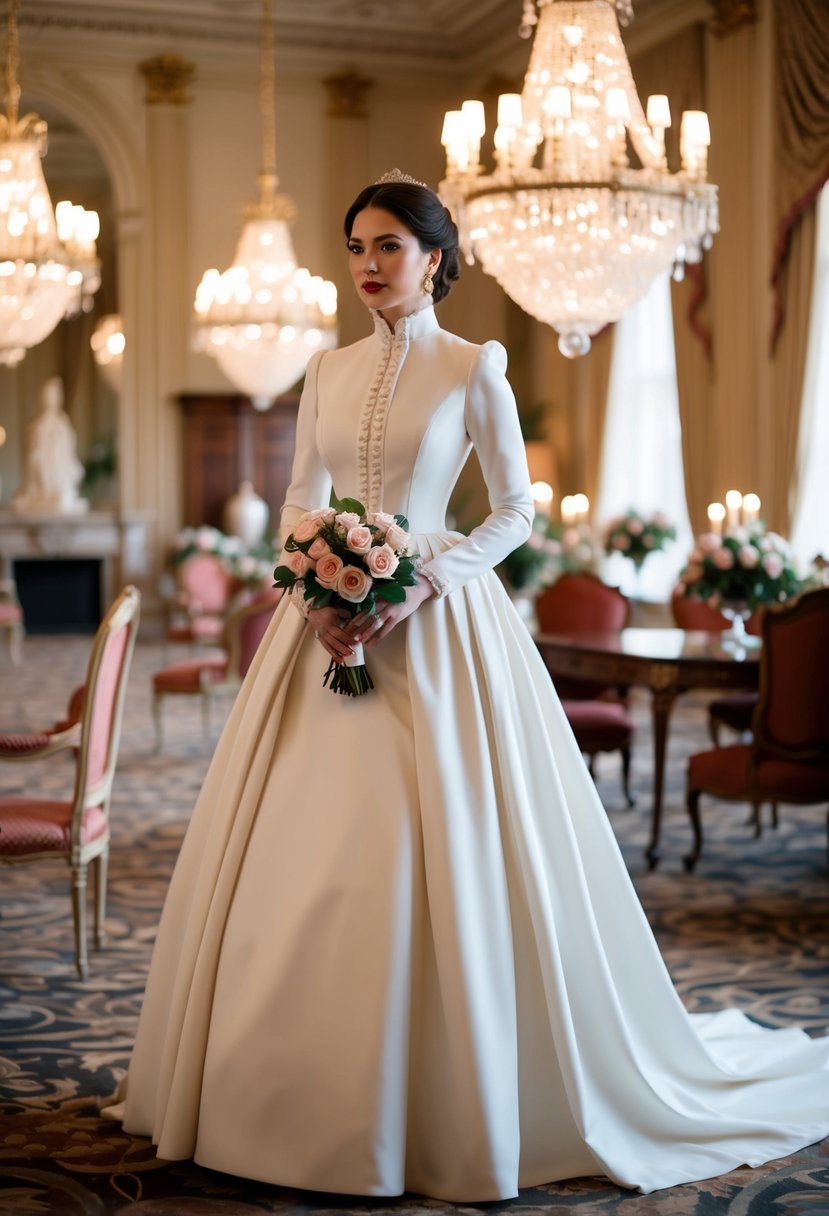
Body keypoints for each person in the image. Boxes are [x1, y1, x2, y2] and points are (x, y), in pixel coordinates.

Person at [104, 171, 829, 1201]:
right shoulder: (322, 366)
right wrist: (314, 586)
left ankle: (455, 1094)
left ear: (435, 256)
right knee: (299, 852)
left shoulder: (473, 367)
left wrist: (423, 578)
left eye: (387, 246)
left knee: (441, 847)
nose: (366, 265)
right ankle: (275, 1089)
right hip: (320, 630)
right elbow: (298, 496)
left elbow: (517, 508)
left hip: (441, 627)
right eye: (355, 246)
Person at [12, 377, 88, 515]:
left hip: (56, 464)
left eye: (52, 396)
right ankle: (43, 493)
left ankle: (52, 493)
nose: (49, 399)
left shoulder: (61, 422)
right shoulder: (38, 424)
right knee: (37, 461)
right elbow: (33, 443)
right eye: (47, 396)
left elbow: (68, 444)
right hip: (41, 463)